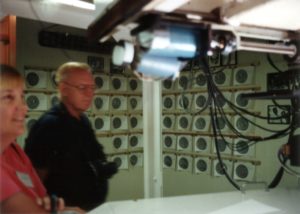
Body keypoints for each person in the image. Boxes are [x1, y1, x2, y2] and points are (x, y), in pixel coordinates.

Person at [25, 62, 118, 211]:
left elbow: (88, 160)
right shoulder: (49, 126)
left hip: (92, 208)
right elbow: (34, 183)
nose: (89, 94)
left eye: (92, 88)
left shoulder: (83, 121)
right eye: (82, 88)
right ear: (64, 89)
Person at [0, 64, 84, 213]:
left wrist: (57, 209)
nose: (24, 107)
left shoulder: (15, 152)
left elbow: (40, 197)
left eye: (22, 97)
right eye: (8, 97)